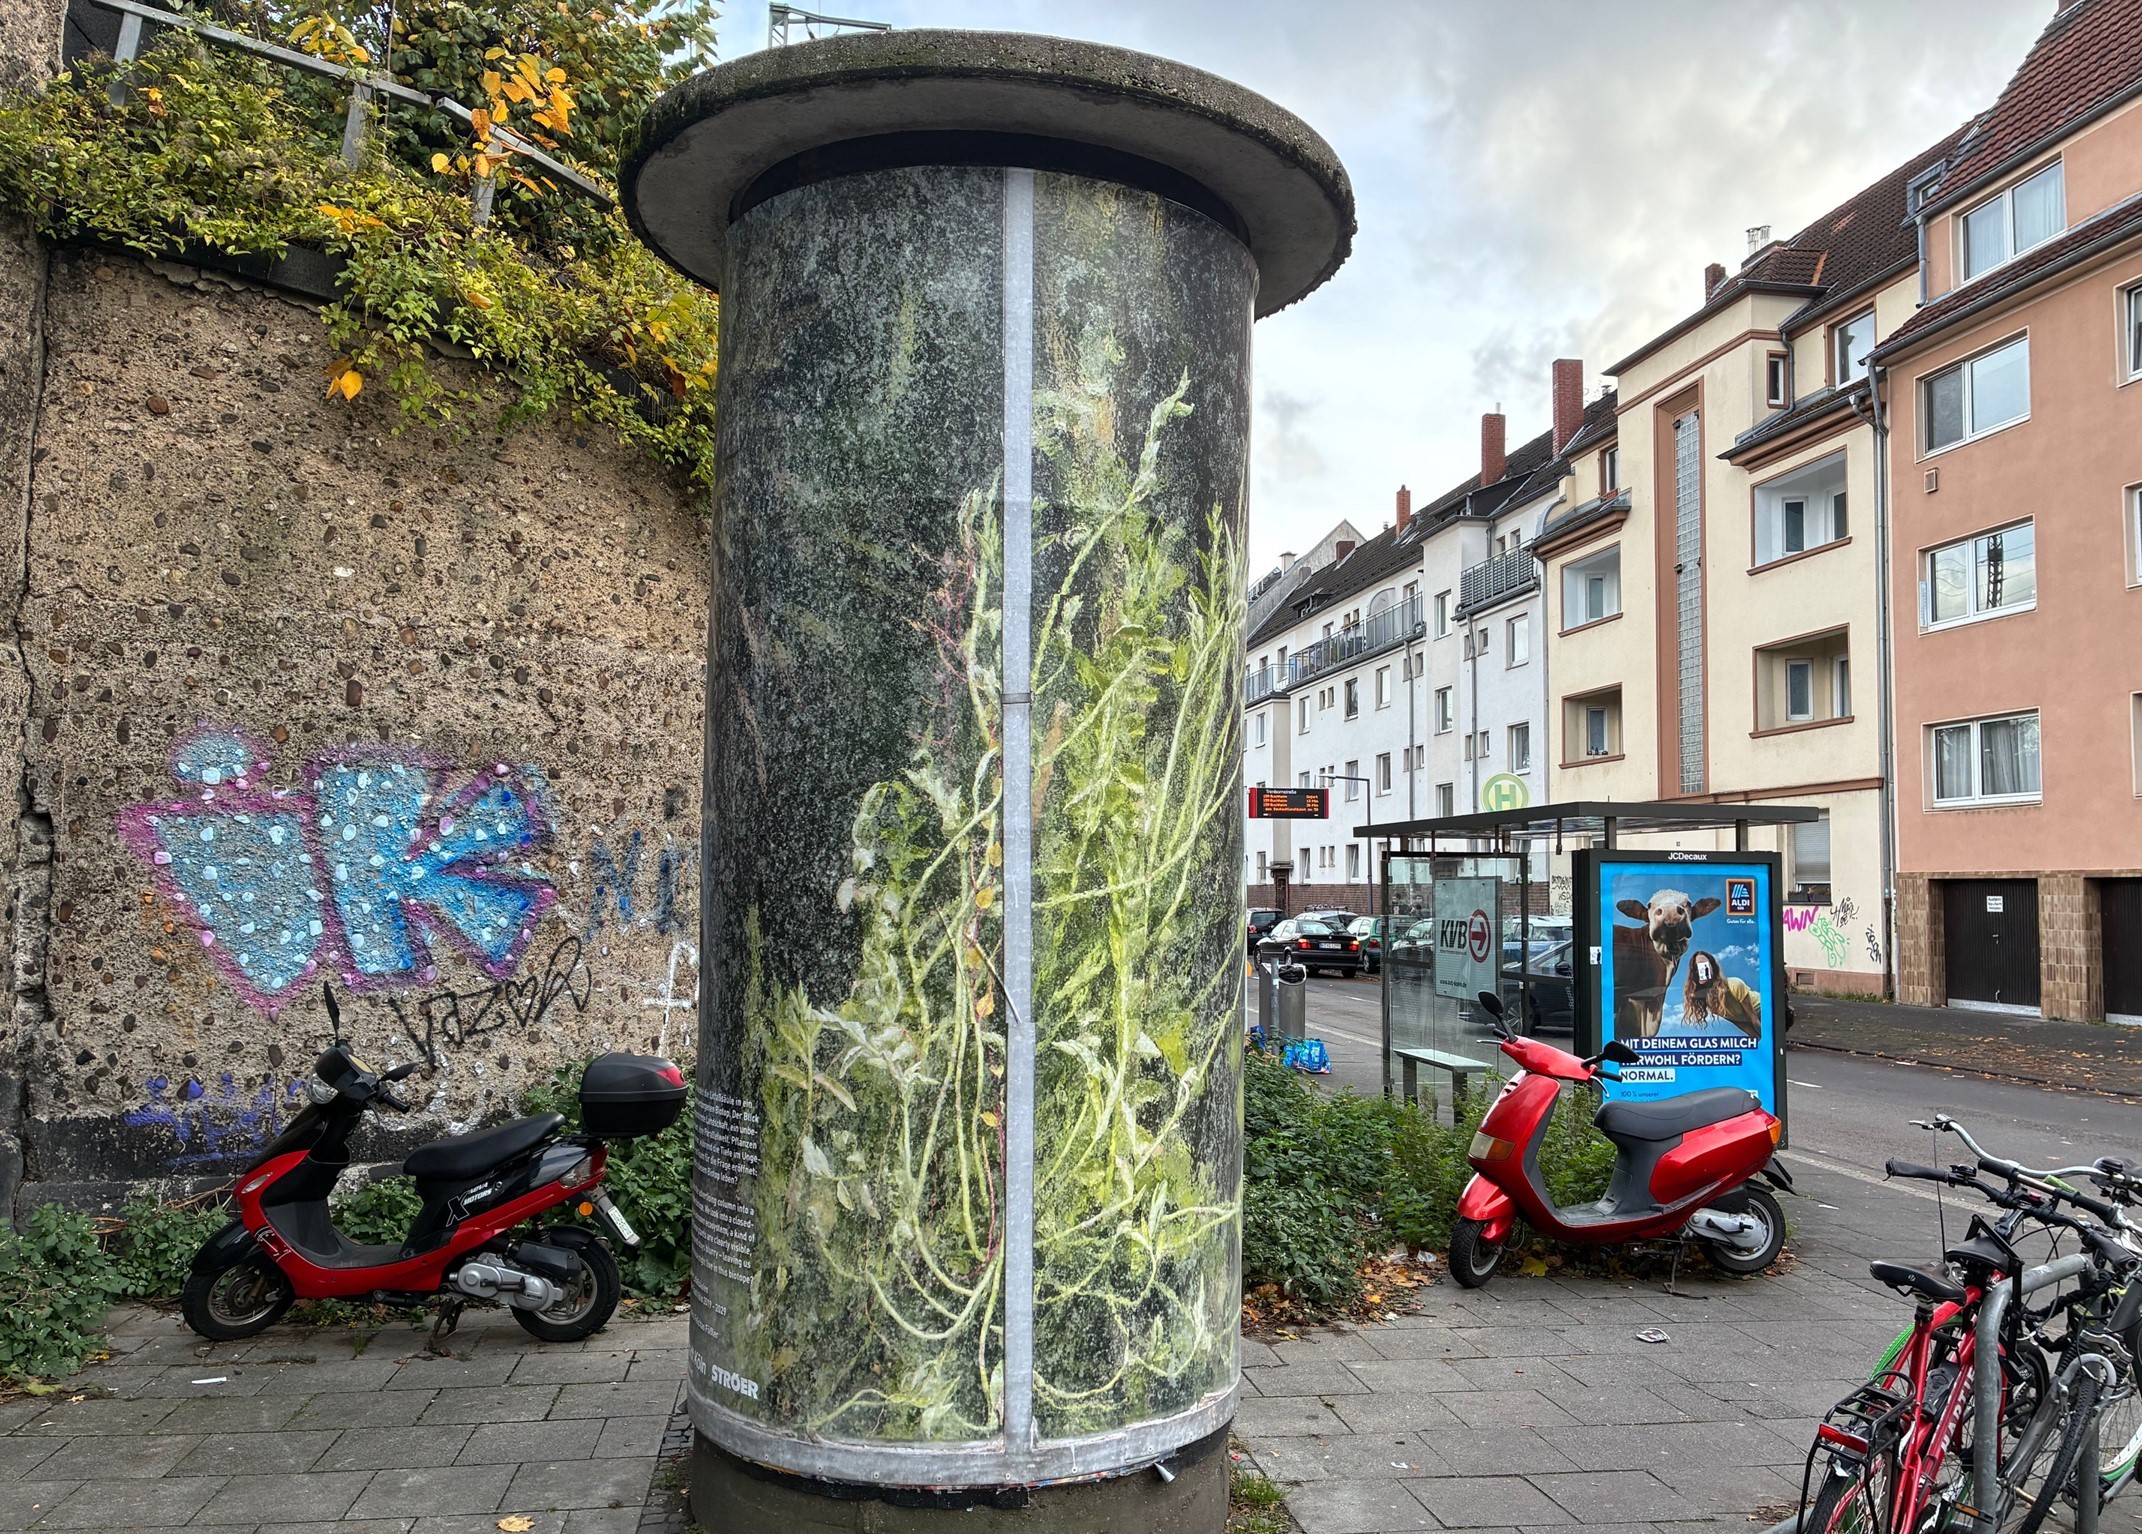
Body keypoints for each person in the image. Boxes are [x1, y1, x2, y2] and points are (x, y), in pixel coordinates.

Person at [1680, 950, 1762, 1040]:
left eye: (1704, 965)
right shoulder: (1712, 1003)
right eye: (1697, 967)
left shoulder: (1734, 985)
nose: (1702, 969)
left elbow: (1753, 1018)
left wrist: (1766, 1041)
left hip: (1764, 1009)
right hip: (1754, 1020)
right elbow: (1740, 1023)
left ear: (1712, 967)